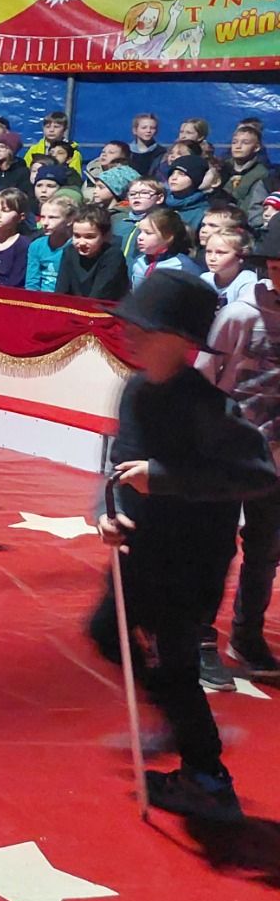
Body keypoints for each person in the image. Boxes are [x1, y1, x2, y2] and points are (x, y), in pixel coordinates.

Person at [94, 270, 278, 820]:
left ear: (180, 340)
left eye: (145, 328)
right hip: (139, 549)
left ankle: (207, 776)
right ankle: (179, 718)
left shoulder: (208, 407)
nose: (130, 335)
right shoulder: (135, 391)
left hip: (190, 561)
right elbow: (118, 466)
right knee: (106, 632)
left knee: (176, 668)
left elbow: (258, 474)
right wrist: (110, 513)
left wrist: (163, 477)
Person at [201, 218, 280, 681]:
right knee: (214, 545)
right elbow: (203, 377)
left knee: (266, 549)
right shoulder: (240, 314)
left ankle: (247, 635)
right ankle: (199, 637)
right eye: (275, 265)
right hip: (229, 452)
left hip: (274, 460)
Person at [55, 204, 129, 301]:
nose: (81, 242)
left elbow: (100, 295)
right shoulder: (70, 252)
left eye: (89, 237)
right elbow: (61, 290)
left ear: (105, 236)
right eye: (77, 236)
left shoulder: (113, 256)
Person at [129, 207, 201, 287]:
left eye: (148, 233)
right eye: (140, 231)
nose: (139, 237)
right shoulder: (139, 261)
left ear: (169, 237)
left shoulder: (183, 266)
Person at [24, 196, 78, 293]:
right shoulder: (37, 245)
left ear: (70, 220)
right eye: (42, 217)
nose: (45, 223)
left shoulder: (75, 246)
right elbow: (32, 283)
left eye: (52, 217)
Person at [223, 121, 270, 218]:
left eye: (245, 143)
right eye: (234, 142)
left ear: (256, 147)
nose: (238, 146)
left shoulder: (261, 174)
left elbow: (252, 205)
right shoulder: (221, 168)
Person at [206, 226, 258, 310]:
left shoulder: (249, 283)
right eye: (208, 251)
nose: (212, 258)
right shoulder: (205, 279)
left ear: (242, 256)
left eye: (221, 253)